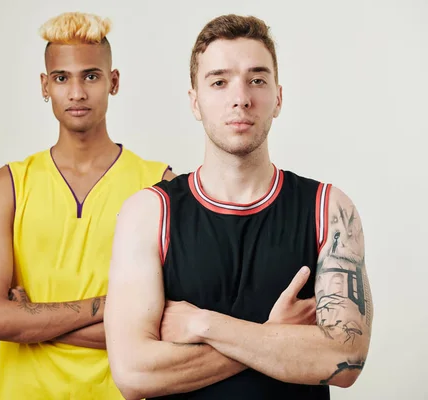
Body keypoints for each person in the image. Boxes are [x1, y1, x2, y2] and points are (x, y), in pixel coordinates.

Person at [104, 14, 373, 400]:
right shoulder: (148, 214)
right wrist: (272, 334)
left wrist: (202, 324)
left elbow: (345, 359)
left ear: (278, 98)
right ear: (195, 102)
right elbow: (133, 373)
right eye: (219, 81)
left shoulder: (329, 210)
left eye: (257, 79)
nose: (240, 97)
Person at [0, 12, 177, 400]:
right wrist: (111, 306)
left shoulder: (160, 185)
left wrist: (33, 321)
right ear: (44, 86)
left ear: (112, 82)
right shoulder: (7, 186)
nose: (77, 93)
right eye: (62, 78)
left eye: (91, 75)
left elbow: (166, 325)